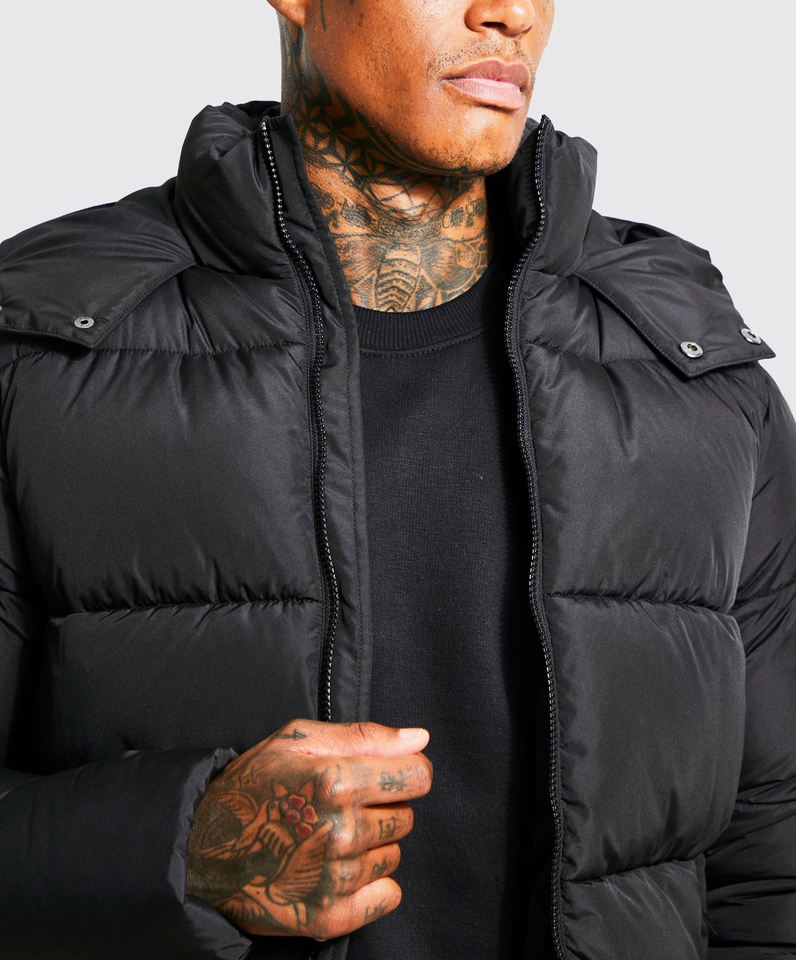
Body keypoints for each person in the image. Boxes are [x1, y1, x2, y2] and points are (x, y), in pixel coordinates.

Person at [0, 0, 793, 958]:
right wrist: (175, 851)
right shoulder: (40, 355)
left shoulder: (690, 367)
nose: (511, 14)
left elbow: (773, 855)